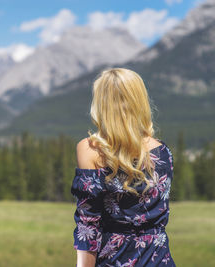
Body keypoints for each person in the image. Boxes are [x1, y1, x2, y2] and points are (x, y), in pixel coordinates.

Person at [71, 68, 176, 267]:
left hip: (115, 260)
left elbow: (88, 224)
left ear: (101, 104)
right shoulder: (163, 152)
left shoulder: (90, 149)